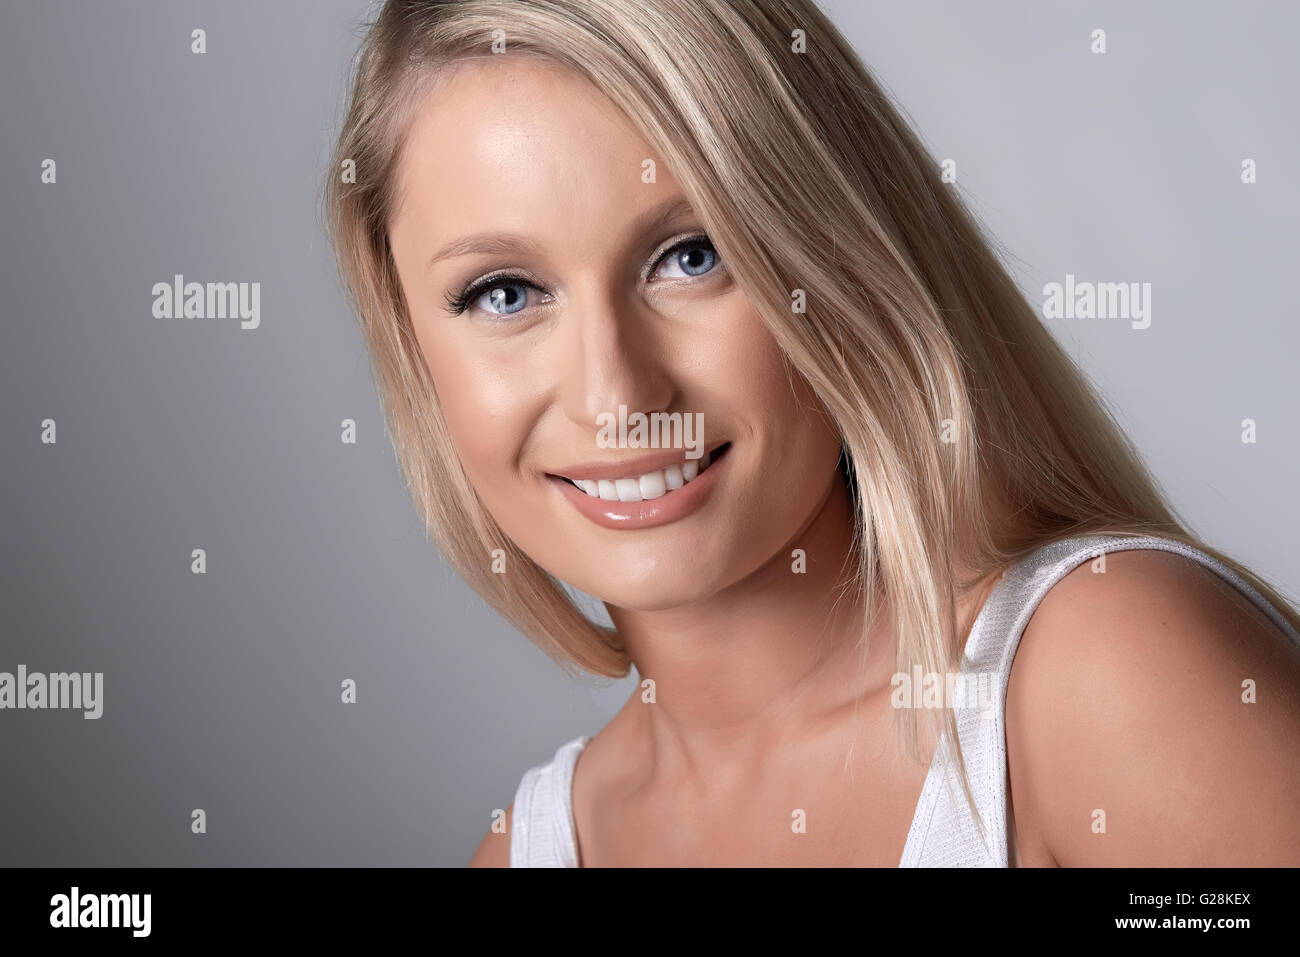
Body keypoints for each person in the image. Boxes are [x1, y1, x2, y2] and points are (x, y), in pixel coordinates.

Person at [325, 0, 1300, 866]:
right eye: (505, 293)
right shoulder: (527, 850)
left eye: (691, 255)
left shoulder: (1102, 676)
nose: (611, 388)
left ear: (834, 265)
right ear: (411, 343)